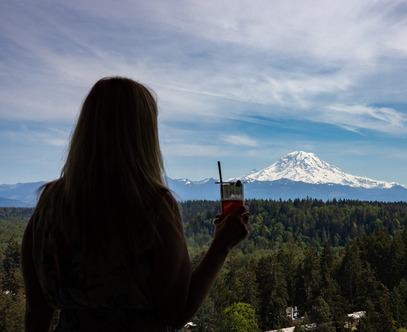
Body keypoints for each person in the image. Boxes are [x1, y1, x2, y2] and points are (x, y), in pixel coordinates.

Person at [20, 76, 250, 331]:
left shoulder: (49, 203)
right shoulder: (153, 205)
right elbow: (177, 312)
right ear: (143, 134)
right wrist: (221, 246)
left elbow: (37, 312)